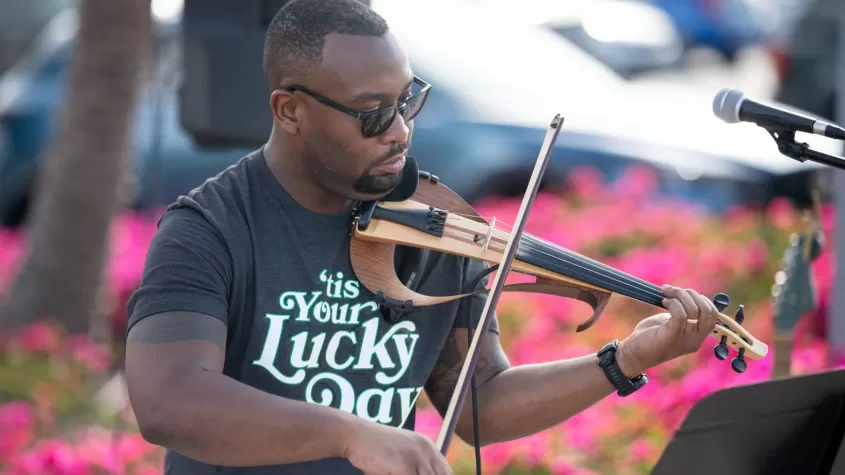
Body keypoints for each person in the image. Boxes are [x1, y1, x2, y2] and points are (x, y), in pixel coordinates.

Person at [123, 1, 720, 474]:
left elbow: (480, 399)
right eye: (372, 112)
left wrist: (623, 360)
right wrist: (349, 435)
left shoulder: (434, 227)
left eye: (406, 100)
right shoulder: (211, 228)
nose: (401, 131)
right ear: (290, 111)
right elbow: (168, 399)